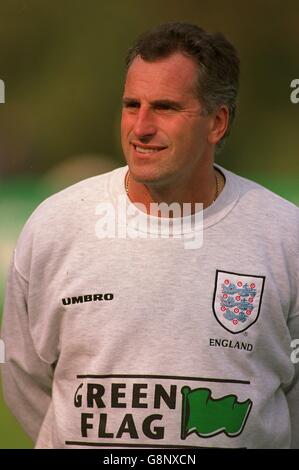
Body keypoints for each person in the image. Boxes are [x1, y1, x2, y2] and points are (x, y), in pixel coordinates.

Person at [1, 22, 299, 449]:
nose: (140, 127)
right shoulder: (56, 225)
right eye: (130, 105)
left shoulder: (285, 235)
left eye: (164, 107)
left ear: (217, 122)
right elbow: (23, 377)